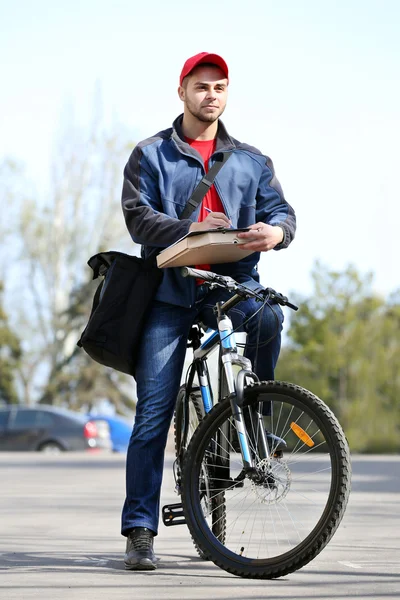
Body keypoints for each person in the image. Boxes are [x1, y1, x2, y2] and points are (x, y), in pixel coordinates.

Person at [120, 52, 296, 570]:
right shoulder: (150, 154)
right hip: (169, 291)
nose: (210, 95)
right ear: (182, 91)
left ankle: (256, 424)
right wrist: (189, 229)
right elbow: (138, 218)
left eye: (219, 86)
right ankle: (139, 530)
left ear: (227, 93)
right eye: (201, 86)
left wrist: (277, 232)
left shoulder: (252, 159)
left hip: (231, 283)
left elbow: (281, 212)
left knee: (266, 317)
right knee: (152, 413)